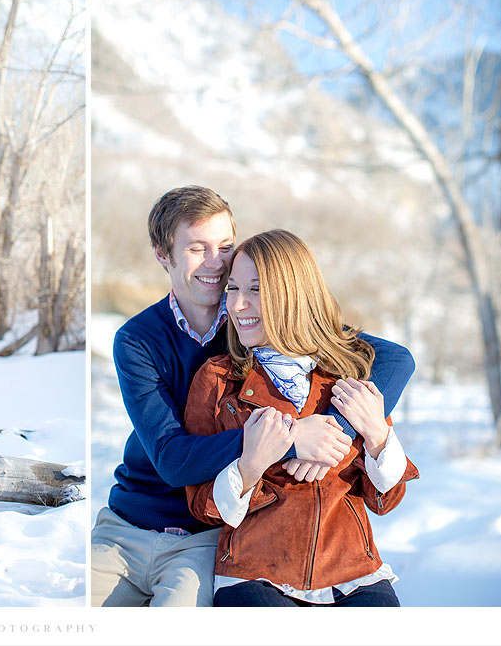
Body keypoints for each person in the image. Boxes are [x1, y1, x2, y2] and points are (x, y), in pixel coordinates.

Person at [91, 186, 416, 607]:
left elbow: (395, 358)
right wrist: (290, 436)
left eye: (224, 246)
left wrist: (338, 431)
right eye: (196, 248)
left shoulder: (261, 323)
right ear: (162, 254)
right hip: (136, 518)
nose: (215, 263)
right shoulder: (140, 340)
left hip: (207, 536)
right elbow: (171, 458)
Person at [183, 229, 419, 606]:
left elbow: (385, 501)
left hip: (352, 573)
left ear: (293, 295)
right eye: (232, 288)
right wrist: (251, 465)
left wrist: (376, 434)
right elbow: (204, 507)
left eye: (256, 290)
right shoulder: (216, 380)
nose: (238, 305)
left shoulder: (349, 374)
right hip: (254, 574)